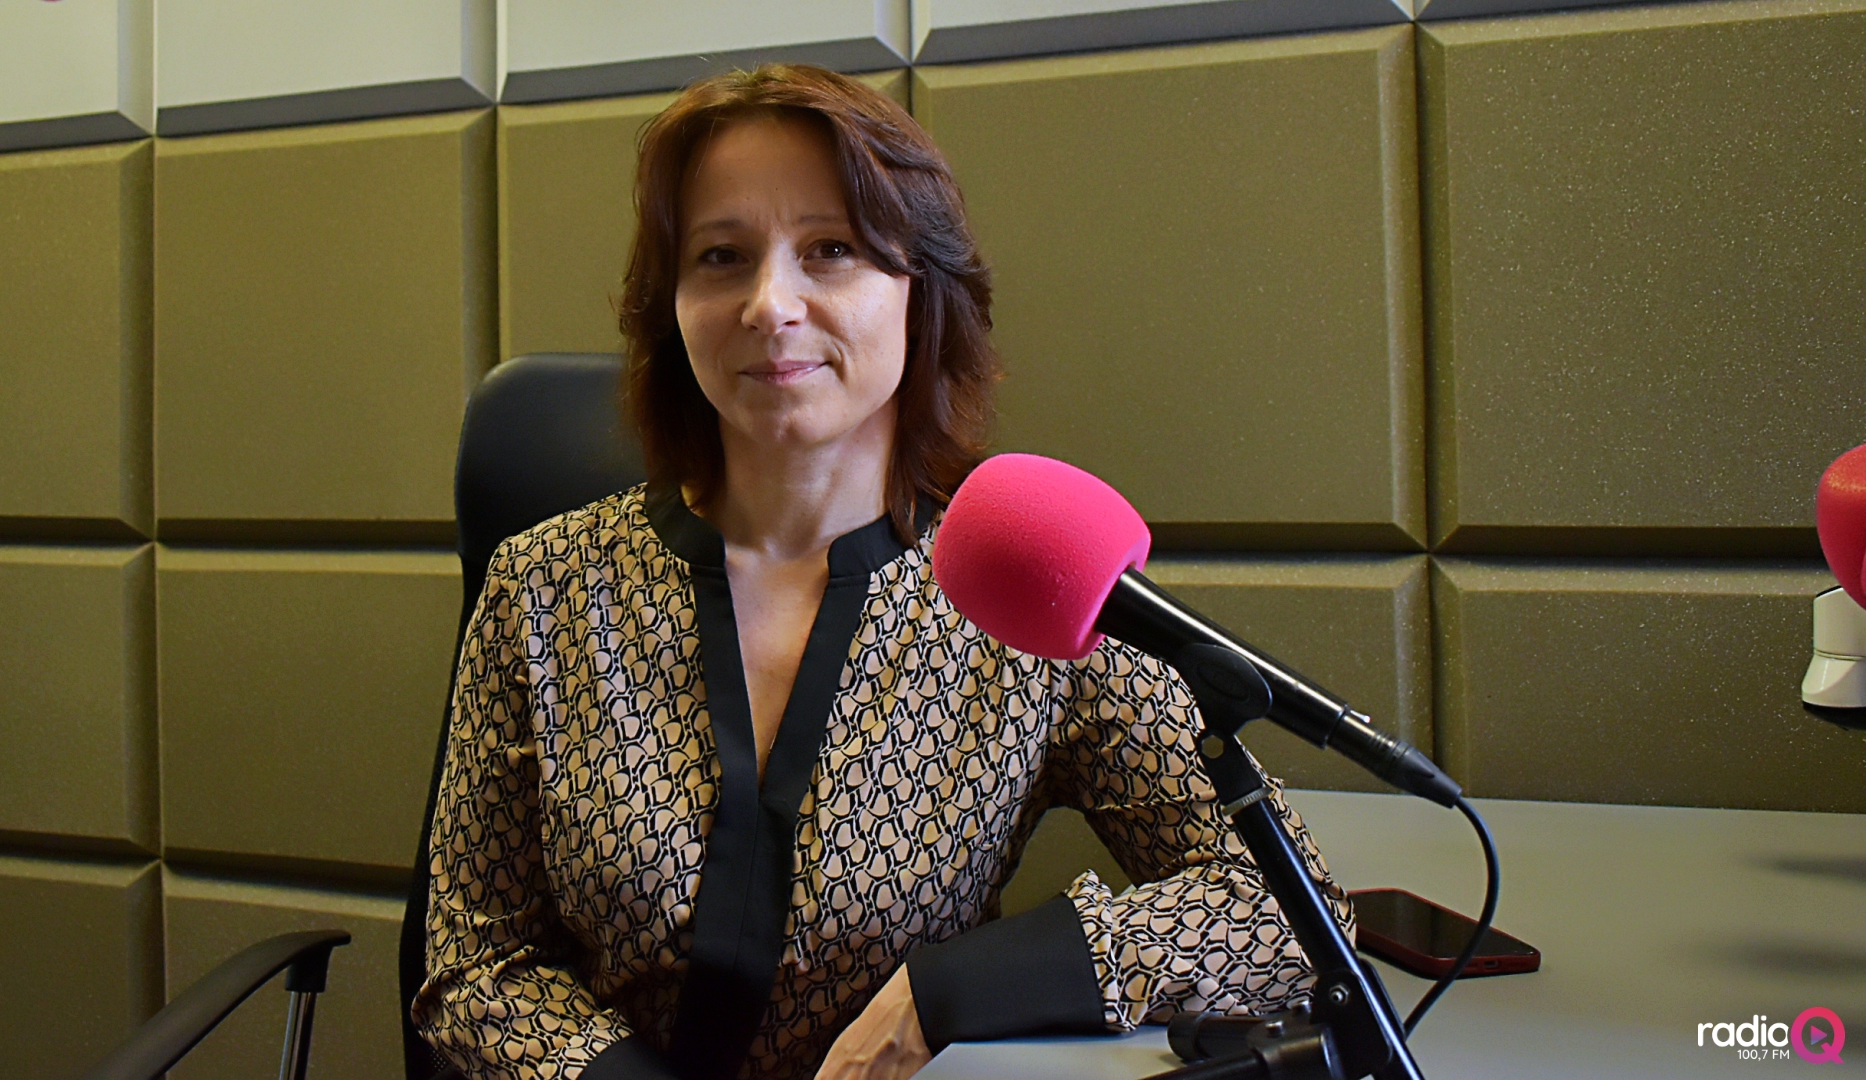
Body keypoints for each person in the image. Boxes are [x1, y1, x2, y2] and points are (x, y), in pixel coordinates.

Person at [412, 64, 1352, 1080]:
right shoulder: (542, 586)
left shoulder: (1022, 592)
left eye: (832, 249)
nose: (770, 304)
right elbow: (473, 968)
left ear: (921, 292)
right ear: (669, 307)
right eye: (721, 257)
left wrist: (946, 994)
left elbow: (1286, 912)